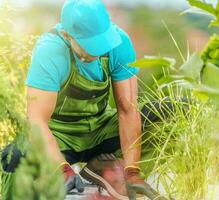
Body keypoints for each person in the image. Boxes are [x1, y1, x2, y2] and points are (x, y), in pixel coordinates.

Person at [1, 0, 170, 199]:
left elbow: (128, 110)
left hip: (99, 129)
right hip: (59, 136)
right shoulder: (50, 50)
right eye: (90, 46)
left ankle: (108, 167)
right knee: (13, 159)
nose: (98, 52)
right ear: (67, 35)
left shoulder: (119, 43)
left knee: (166, 112)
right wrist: (61, 170)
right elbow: (37, 121)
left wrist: (132, 172)